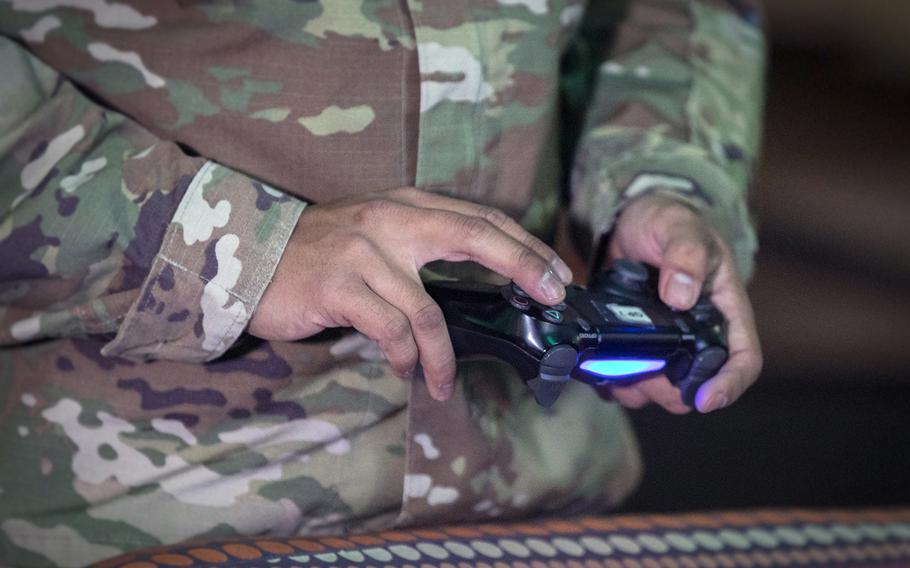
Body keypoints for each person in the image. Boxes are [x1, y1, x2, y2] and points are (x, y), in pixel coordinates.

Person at [0, 1, 764, 566]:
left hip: (549, 511)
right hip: (141, 517)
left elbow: (674, 16)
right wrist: (233, 244)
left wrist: (660, 179)